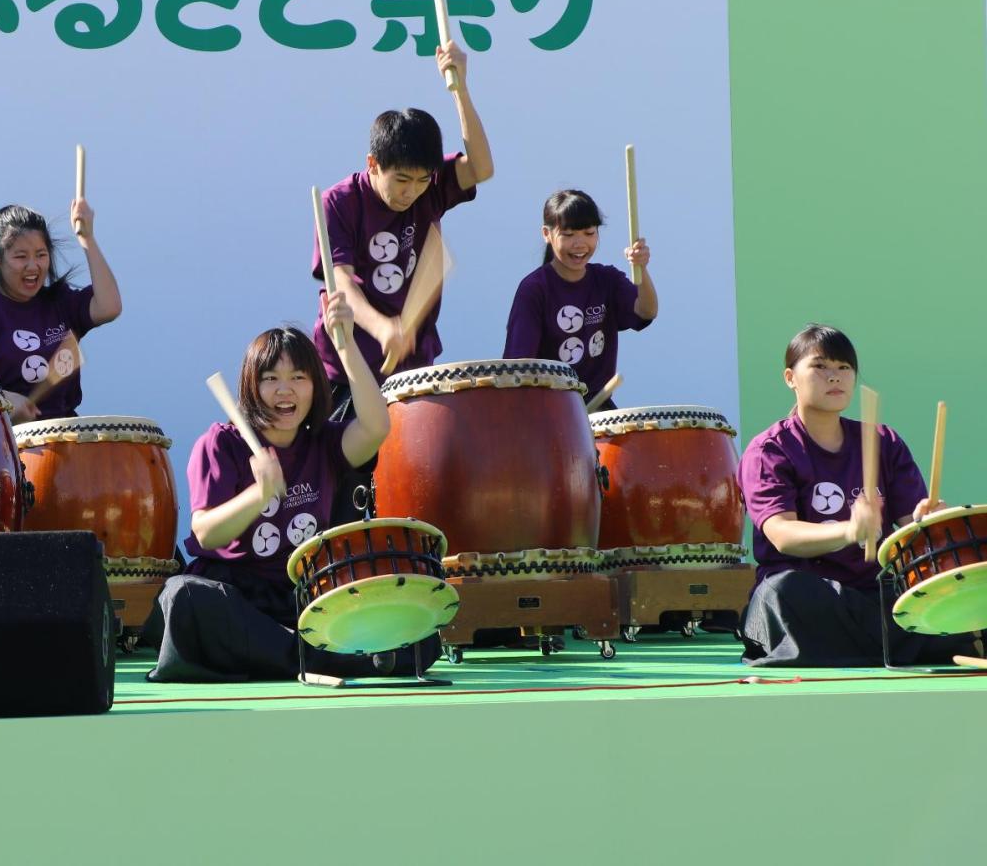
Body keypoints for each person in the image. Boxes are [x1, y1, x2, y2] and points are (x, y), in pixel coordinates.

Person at [143, 299, 419, 682]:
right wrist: (258, 494)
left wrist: (347, 346)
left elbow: (375, 428)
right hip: (236, 595)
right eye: (270, 378)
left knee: (411, 608)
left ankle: (294, 655)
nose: (284, 390)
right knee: (184, 597)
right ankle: (322, 657)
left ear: (315, 385)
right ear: (251, 386)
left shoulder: (322, 442)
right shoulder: (221, 443)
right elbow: (206, 531)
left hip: (303, 595)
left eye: (298, 378)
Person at [739, 324, 980, 667]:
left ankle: (888, 642)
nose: (834, 377)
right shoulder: (771, 450)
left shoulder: (883, 442)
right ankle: (916, 644)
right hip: (813, 595)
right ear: (791, 377)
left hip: (877, 593)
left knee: (948, 591)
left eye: (844, 368)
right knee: (783, 593)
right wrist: (849, 531)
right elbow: (782, 535)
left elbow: (907, 530)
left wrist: (925, 523)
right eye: (820, 367)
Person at [311, 41, 493, 406]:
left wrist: (460, 90)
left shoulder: (430, 189)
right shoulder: (339, 202)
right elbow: (341, 281)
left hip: (414, 370)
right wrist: (383, 328)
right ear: (373, 163)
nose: (412, 192)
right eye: (402, 181)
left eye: (422, 180)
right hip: (350, 370)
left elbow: (481, 168)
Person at [0, 202, 121, 423]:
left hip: (65, 440)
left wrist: (87, 239)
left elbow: (109, 307)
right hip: (2, 446)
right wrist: (0, 399)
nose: (33, 266)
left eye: (41, 255)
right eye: (21, 256)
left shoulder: (60, 301)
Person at [503, 189, 656, 407]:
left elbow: (647, 311)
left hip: (598, 408)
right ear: (547, 234)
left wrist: (641, 268)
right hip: (549, 410)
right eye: (568, 235)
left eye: (589, 233)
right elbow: (519, 367)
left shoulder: (607, 279)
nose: (580, 243)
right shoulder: (534, 289)